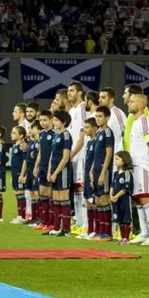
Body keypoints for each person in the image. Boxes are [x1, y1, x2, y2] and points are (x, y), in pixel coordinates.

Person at [127, 94, 149, 246]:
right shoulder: (135, 122)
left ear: (140, 105)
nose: (129, 103)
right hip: (135, 166)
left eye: (132, 101)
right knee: (138, 201)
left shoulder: (144, 122)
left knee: (145, 199)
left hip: (143, 166)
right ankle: (144, 233)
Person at [67, 81, 89, 235]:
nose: (69, 93)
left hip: (80, 154)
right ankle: (80, 222)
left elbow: (82, 135)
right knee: (75, 188)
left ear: (80, 93)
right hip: (73, 154)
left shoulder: (82, 109)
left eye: (72, 90)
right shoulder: (72, 110)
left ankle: (86, 224)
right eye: (68, 91)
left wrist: (73, 153)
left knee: (81, 188)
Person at [48, 110, 74, 237]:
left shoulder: (66, 136)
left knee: (63, 199)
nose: (54, 122)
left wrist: (56, 172)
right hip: (54, 171)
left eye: (56, 120)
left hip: (63, 171)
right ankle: (57, 227)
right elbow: (52, 155)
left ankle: (66, 229)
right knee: (56, 199)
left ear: (63, 122)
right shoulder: (56, 135)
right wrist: (49, 172)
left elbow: (65, 158)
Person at [91, 106, 115, 242]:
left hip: (103, 171)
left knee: (104, 200)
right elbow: (96, 154)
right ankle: (100, 231)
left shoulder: (107, 133)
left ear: (107, 117)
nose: (98, 119)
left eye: (100, 116)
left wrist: (102, 172)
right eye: (96, 117)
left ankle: (107, 233)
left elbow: (108, 154)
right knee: (98, 201)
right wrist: (91, 170)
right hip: (96, 170)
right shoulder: (99, 132)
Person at [33, 111, 55, 231]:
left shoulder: (54, 134)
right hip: (42, 167)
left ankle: (52, 222)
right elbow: (41, 152)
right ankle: (44, 221)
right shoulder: (41, 134)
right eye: (40, 120)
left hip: (50, 167)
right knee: (42, 194)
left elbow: (53, 153)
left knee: (50, 194)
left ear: (51, 120)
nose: (42, 122)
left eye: (45, 120)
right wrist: (36, 166)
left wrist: (50, 169)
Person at [111, 151, 135, 245]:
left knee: (126, 217)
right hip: (115, 199)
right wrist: (111, 195)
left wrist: (116, 196)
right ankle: (121, 237)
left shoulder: (127, 173)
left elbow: (126, 188)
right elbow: (112, 185)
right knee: (119, 218)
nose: (115, 161)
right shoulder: (116, 173)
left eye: (117, 159)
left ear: (124, 160)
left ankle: (126, 238)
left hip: (124, 199)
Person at [81, 117, 98, 240]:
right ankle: (90, 230)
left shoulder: (97, 142)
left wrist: (91, 175)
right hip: (87, 175)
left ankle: (96, 230)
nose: (85, 130)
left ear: (94, 128)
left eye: (87, 127)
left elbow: (96, 160)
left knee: (94, 203)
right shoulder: (89, 142)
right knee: (88, 202)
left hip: (93, 176)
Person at [22, 121, 41, 226]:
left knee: (36, 193)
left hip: (35, 171)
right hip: (29, 171)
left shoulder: (39, 142)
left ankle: (39, 218)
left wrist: (36, 168)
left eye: (31, 128)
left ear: (37, 129)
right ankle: (34, 218)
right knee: (32, 194)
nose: (29, 130)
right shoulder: (31, 142)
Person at [98, 87, 127, 157]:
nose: (99, 100)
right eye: (99, 97)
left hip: (115, 157)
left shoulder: (118, 114)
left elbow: (125, 135)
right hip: (103, 156)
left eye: (103, 97)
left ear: (111, 100)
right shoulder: (100, 114)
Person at [10, 126, 28, 224]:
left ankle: (22, 216)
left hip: (20, 174)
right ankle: (19, 215)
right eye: (12, 132)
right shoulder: (15, 146)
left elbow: (25, 160)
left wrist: (22, 174)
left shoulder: (22, 146)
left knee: (21, 194)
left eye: (14, 133)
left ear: (21, 135)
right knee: (18, 194)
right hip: (15, 174)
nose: (11, 134)